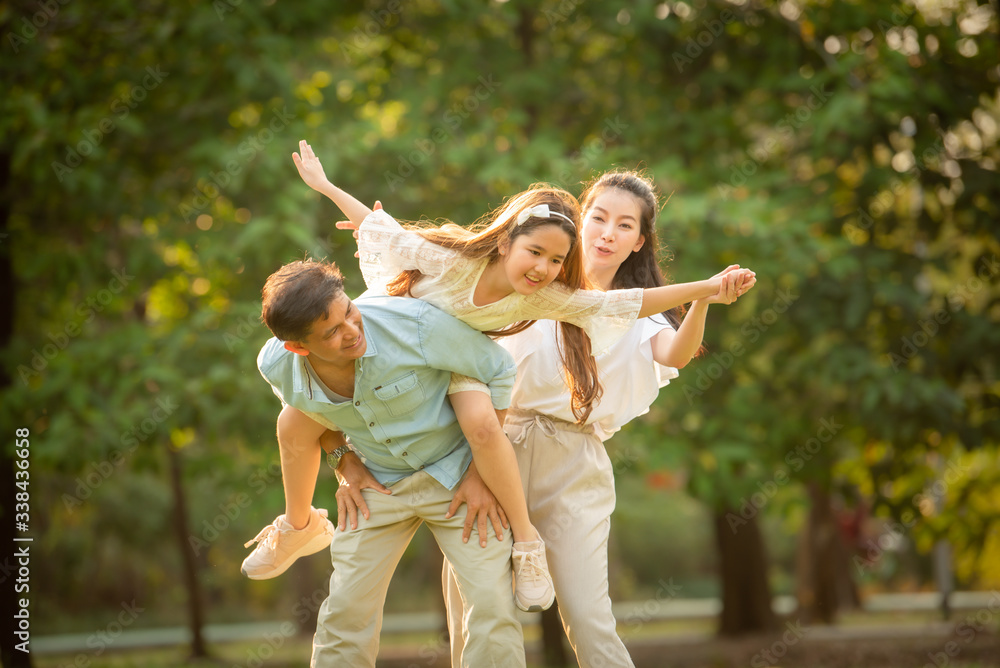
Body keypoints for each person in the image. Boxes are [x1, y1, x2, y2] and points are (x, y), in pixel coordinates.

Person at [242, 139, 755, 611]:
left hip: (460, 360)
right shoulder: (450, 257)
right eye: (535, 252)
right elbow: (387, 230)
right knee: (294, 421)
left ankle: (526, 546)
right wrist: (326, 186)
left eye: (556, 260)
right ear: (506, 242)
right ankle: (298, 524)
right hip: (401, 348)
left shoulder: (547, 294)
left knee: (485, 429)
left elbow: (625, 302)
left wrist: (704, 288)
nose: (544, 267)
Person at [435, 170, 753, 666]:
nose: (608, 232)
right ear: (579, 221)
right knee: (480, 612)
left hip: (574, 461)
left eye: (624, 225)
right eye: (599, 217)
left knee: (588, 616)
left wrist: (703, 299)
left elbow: (673, 354)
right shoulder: (534, 283)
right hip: (498, 446)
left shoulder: (640, 312)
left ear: (638, 242)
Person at [254, 258, 526, 667]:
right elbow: (310, 411)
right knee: (345, 611)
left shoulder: (414, 325)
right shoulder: (275, 364)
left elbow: (500, 369)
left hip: (457, 476)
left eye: (349, 312)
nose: (351, 331)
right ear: (297, 347)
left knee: (492, 606)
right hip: (376, 484)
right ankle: (299, 524)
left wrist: (479, 473)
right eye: (332, 332)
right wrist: (344, 462)